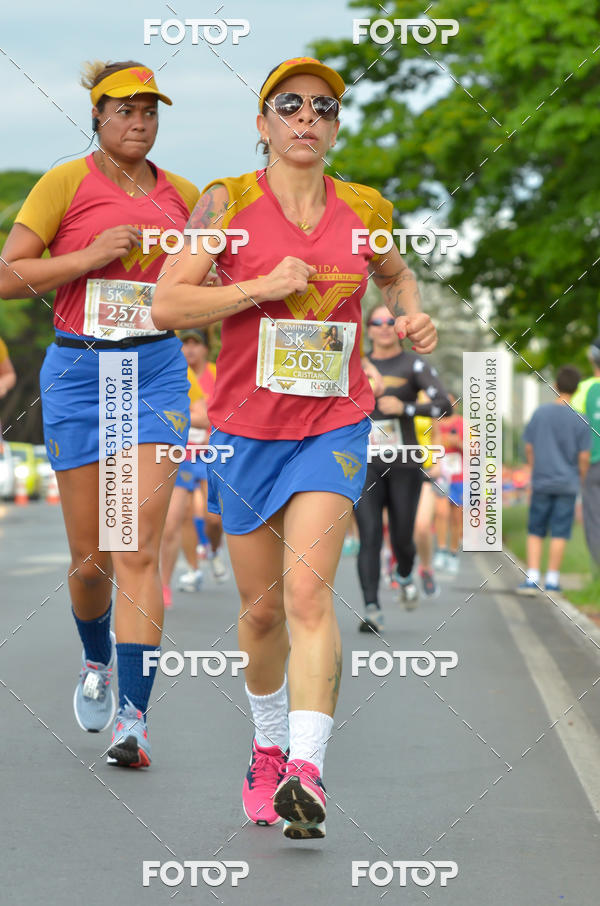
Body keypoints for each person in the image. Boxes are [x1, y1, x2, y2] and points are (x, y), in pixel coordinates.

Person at [152, 57, 437, 838]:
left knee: (310, 595)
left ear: (336, 125)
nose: (306, 117)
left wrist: (410, 314)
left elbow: (396, 273)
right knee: (264, 611)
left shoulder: (365, 206)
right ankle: (269, 747)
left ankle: (308, 770)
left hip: (335, 425)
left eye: (322, 107)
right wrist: (258, 286)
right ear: (264, 124)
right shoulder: (228, 201)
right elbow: (167, 302)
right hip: (246, 432)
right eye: (289, 105)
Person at [0, 60, 199, 768]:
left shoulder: (185, 196)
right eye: (125, 110)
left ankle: (134, 718)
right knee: (90, 563)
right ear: (97, 116)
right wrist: (85, 257)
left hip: (154, 370)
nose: (139, 121)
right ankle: (95, 660)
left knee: (137, 544)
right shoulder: (65, 182)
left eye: (150, 110)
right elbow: (7, 276)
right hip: (83, 371)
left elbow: (209, 283)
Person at [355, 305, 451, 632]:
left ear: (399, 329)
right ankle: (371, 609)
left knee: (402, 537)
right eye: (376, 322)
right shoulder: (357, 365)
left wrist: (406, 407)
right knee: (369, 535)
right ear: (367, 328)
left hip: (404, 463)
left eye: (389, 322)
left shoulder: (413, 363)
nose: (383, 327)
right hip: (365, 463)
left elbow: (444, 404)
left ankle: (406, 572)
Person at [517, 366, 590, 594]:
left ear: (555, 386)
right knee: (560, 530)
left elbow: (529, 447)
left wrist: (533, 468)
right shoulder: (581, 420)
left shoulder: (540, 414)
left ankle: (532, 577)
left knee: (536, 528)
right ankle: (552, 580)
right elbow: (584, 457)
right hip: (567, 482)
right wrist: (581, 478)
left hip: (542, 480)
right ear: (577, 389)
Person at [160, 362, 209, 606]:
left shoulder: (179, 368)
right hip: (129, 453)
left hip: (176, 455)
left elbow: (203, 417)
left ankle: (163, 584)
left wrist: (163, 413)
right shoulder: (116, 356)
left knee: (170, 525)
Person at [571, 337, 600, 570]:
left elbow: (575, 430)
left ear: (592, 359)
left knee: (594, 520)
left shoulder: (583, 389)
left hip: (592, 464)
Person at [413, 409, 443, 598]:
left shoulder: (425, 396)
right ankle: (392, 562)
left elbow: (436, 432)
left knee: (422, 526)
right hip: (392, 466)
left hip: (424, 469)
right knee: (390, 525)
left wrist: (438, 463)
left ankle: (425, 568)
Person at [433, 401, 464, 575]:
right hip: (442, 476)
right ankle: (441, 549)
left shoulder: (463, 424)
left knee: (456, 519)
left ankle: (453, 553)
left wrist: (457, 443)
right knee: (441, 513)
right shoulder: (434, 423)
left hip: (459, 477)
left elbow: (475, 450)